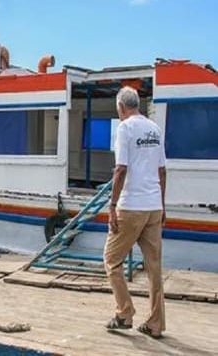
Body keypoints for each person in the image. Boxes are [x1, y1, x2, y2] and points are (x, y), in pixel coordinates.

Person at [104, 86, 167, 339]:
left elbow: (120, 169)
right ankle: (155, 323)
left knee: (111, 260)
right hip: (153, 207)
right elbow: (162, 171)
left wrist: (111, 206)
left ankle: (124, 313)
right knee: (154, 267)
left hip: (131, 207)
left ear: (121, 107)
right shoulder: (155, 128)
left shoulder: (125, 128)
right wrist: (162, 205)